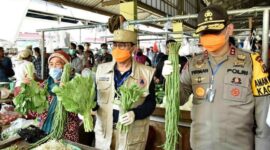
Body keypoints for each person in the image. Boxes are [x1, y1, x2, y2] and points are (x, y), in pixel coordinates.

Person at [162, 5, 270, 150]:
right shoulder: (193, 64)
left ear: (229, 29)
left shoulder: (251, 63)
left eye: (215, 31)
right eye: (205, 33)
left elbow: (264, 121)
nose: (209, 36)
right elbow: (178, 100)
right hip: (200, 146)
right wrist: (170, 79)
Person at [95, 29, 156, 150]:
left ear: (133, 48)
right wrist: (87, 107)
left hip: (131, 135)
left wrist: (135, 113)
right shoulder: (101, 70)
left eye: (123, 45)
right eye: (115, 45)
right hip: (105, 133)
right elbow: (95, 99)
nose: (118, 49)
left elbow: (151, 102)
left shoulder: (146, 73)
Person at [28, 50, 80, 142]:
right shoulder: (44, 85)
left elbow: (77, 111)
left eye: (58, 64)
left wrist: (65, 93)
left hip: (66, 135)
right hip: (44, 133)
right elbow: (34, 112)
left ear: (66, 67)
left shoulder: (74, 85)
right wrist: (30, 93)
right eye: (51, 64)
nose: (54, 67)